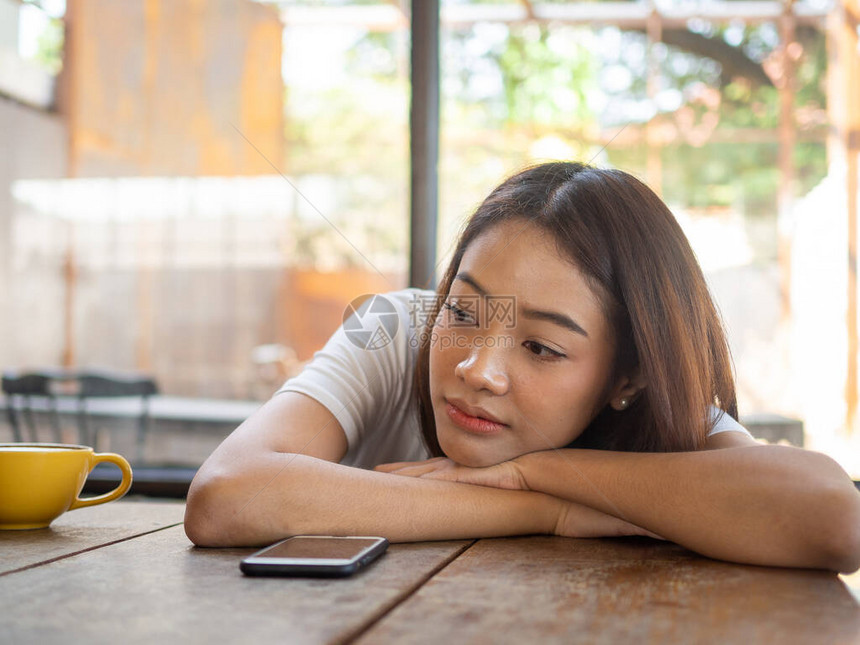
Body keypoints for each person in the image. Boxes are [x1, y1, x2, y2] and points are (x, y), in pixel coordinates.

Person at [185, 161, 860, 573]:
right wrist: (547, 511)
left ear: (627, 377)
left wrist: (535, 469)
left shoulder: (658, 410)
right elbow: (226, 494)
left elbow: (834, 519)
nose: (480, 369)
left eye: (541, 346)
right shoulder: (395, 332)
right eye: (463, 312)